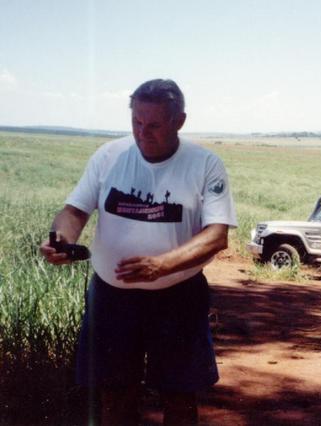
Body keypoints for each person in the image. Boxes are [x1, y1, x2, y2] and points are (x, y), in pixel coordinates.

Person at [39, 79, 237, 425]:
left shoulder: (205, 164)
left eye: (155, 125)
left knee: (178, 396)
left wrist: (162, 266)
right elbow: (74, 212)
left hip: (179, 298)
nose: (143, 133)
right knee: (113, 393)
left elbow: (216, 236)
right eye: (137, 123)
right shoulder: (109, 156)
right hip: (112, 298)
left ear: (180, 121)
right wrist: (60, 240)